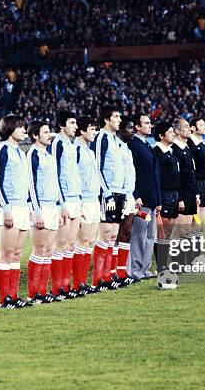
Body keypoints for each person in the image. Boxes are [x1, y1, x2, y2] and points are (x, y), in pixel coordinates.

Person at [0, 114, 31, 309]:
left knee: (17, 253)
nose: (25, 130)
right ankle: (3, 298)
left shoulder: (20, 152)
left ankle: (13, 296)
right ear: (9, 129)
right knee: (6, 253)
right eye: (20, 127)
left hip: (23, 207)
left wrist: (29, 205)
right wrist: (6, 209)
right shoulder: (2, 150)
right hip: (10, 208)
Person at [26, 121, 63, 303]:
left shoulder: (48, 155)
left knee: (48, 250)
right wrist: (36, 210)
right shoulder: (32, 154)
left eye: (50, 131)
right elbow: (30, 184)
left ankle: (42, 290)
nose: (50, 135)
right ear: (35, 135)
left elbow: (54, 182)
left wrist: (58, 206)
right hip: (41, 207)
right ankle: (34, 293)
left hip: (52, 206)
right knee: (39, 249)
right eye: (46, 132)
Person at [90, 106, 126, 291]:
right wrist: (106, 192)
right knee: (104, 235)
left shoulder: (115, 139)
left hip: (119, 192)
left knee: (113, 236)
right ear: (106, 119)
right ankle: (98, 280)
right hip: (108, 193)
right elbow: (97, 167)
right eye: (116, 116)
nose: (119, 119)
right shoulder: (101, 138)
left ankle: (108, 276)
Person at [48, 110, 82, 299]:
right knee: (60, 245)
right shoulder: (57, 144)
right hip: (64, 200)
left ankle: (66, 286)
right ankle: (56, 288)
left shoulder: (71, 145)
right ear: (62, 125)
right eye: (72, 123)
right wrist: (60, 203)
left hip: (75, 198)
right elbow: (55, 175)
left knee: (70, 245)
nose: (76, 127)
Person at [128, 113, 161, 281]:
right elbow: (131, 173)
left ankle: (145, 269)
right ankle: (135, 270)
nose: (150, 125)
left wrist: (158, 200)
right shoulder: (133, 145)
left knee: (149, 236)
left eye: (150, 123)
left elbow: (155, 174)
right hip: (141, 200)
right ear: (137, 127)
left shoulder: (147, 145)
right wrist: (136, 195)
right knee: (138, 235)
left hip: (152, 199)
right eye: (146, 123)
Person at [73, 116, 101, 294]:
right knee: (81, 241)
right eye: (91, 129)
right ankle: (77, 283)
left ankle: (82, 283)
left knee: (90, 242)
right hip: (83, 200)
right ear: (82, 131)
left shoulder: (89, 151)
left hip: (94, 199)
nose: (94, 132)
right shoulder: (74, 149)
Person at [152, 122, 180, 272]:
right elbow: (156, 176)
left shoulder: (171, 151)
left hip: (174, 194)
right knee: (161, 231)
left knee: (169, 231)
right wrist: (159, 199)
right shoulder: (157, 152)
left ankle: (165, 261)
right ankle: (161, 264)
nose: (173, 134)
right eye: (170, 132)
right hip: (164, 194)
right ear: (161, 136)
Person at [115, 118, 137, 286]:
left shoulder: (127, 148)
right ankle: (111, 273)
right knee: (115, 234)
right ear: (121, 130)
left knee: (126, 233)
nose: (133, 130)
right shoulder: (114, 146)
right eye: (130, 128)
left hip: (129, 195)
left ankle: (121, 272)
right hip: (118, 195)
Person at [187, 117, 205, 231]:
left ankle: (196, 245)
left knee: (200, 222)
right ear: (192, 128)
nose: (204, 127)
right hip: (196, 184)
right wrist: (195, 189)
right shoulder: (190, 144)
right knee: (193, 221)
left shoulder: (201, 144)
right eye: (201, 125)